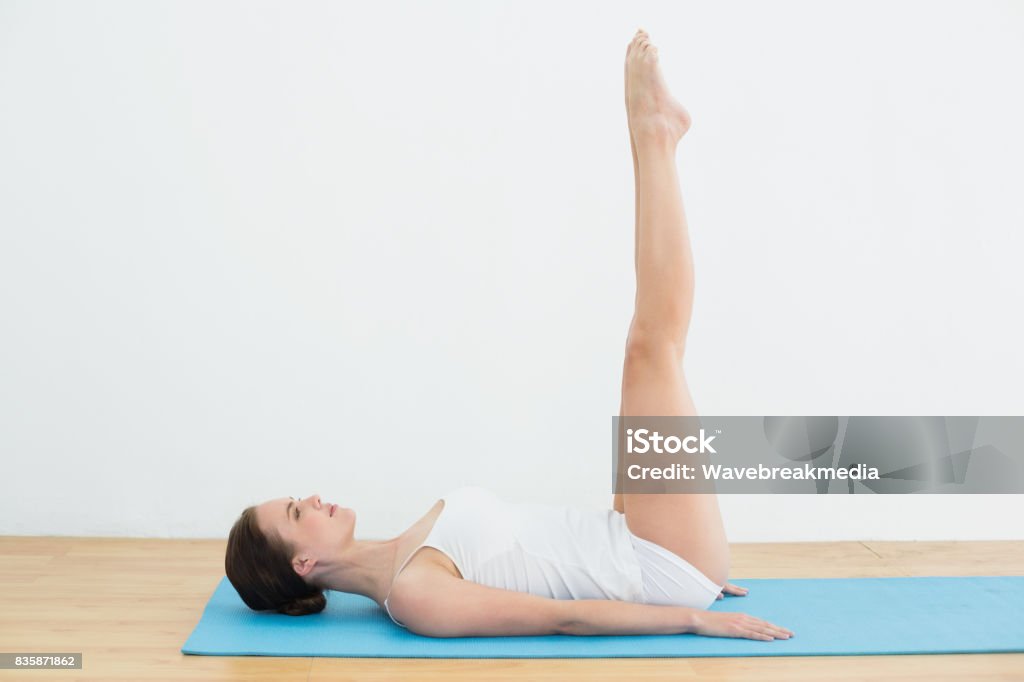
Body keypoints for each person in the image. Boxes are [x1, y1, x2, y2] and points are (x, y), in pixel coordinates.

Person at [225, 30, 793, 642]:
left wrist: (692, 570)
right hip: (654, 567)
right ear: (302, 565)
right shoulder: (414, 595)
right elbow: (561, 617)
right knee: (650, 348)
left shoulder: (404, 549)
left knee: (645, 358)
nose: (310, 498)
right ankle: (654, 133)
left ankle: (651, 133)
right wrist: (689, 613)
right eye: (295, 512)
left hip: (639, 543)